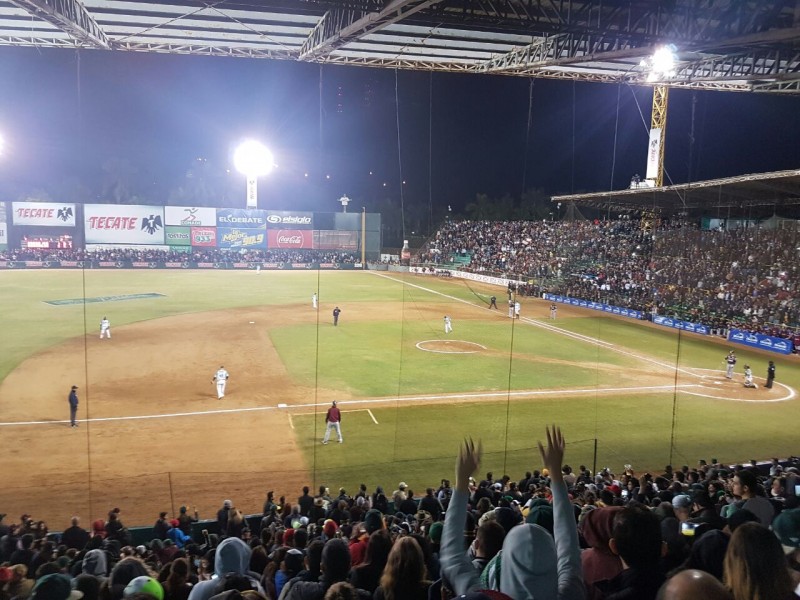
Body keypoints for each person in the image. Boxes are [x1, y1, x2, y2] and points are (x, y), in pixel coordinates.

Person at [439, 425, 583, 599]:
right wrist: (556, 474)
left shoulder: (481, 596)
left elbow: (451, 558)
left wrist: (462, 481)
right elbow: (568, 546)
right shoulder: (571, 593)